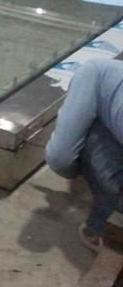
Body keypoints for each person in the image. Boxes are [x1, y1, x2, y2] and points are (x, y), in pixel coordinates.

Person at [45, 59, 123, 252]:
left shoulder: (96, 72)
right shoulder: (105, 75)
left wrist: (77, 170)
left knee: (89, 140)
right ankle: (104, 225)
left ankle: (103, 227)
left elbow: (60, 159)